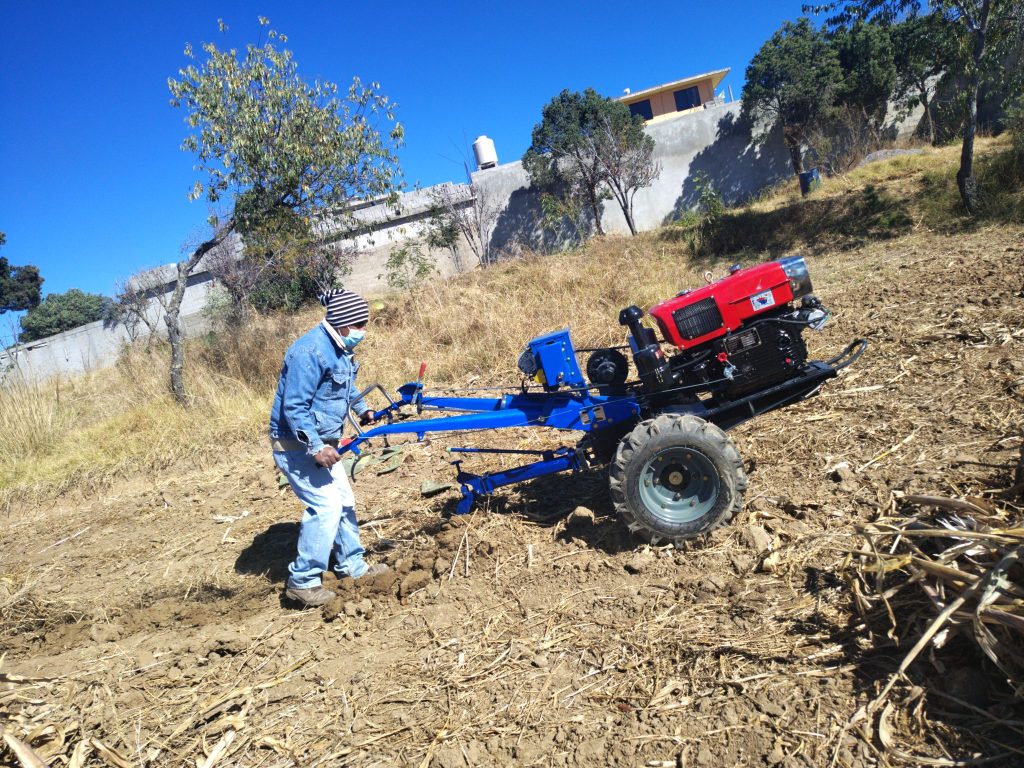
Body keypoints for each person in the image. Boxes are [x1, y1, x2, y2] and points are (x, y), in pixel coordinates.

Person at [269, 289, 388, 607]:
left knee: (344, 502)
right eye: (360, 324)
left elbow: (344, 387)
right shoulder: (310, 351)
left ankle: (353, 565)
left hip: (323, 444)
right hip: (297, 446)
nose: (363, 330)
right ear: (344, 324)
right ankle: (302, 582)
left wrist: (363, 409)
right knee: (326, 508)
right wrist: (316, 448)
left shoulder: (339, 350)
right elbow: (295, 407)